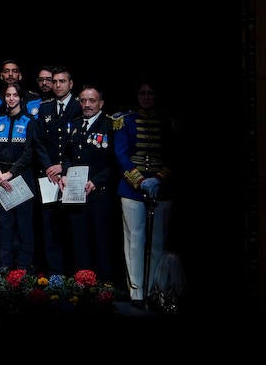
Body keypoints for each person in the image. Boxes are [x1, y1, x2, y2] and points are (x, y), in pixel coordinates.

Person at [114, 81, 175, 306]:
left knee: (158, 241)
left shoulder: (167, 121)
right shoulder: (125, 120)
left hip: (161, 187)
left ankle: (154, 290)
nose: (146, 97)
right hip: (132, 188)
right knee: (134, 240)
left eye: (150, 93)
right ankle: (137, 291)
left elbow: (174, 154)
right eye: (142, 93)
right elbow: (121, 154)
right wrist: (139, 181)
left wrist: (159, 178)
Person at [60, 83, 117, 279]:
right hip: (76, 195)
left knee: (101, 242)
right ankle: (81, 283)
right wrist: (65, 173)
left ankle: (103, 286)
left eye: (92, 100)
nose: (87, 104)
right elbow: (67, 155)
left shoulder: (110, 125)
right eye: (83, 100)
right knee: (79, 241)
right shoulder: (75, 124)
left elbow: (114, 162)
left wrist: (97, 180)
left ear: (101, 103)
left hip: (99, 193)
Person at [34, 66, 79, 274]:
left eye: (62, 81)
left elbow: (79, 144)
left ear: (71, 84)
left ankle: (73, 273)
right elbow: (39, 142)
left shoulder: (79, 107)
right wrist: (49, 166)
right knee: (49, 225)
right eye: (55, 81)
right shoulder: (45, 108)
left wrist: (64, 167)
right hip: (49, 176)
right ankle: (54, 274)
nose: (58, 85)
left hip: (72, 175)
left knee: (71, 225)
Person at [0, 82, 38, 272]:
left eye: (15, 95)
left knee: (24, 224)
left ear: (21, 98)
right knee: (4, 224)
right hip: (0, 178)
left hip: (22, 177)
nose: (11, 98)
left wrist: (11, 173)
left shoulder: (29, 121)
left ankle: (23, 265)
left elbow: (29, 152)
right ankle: (4, 263)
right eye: (8, 95)